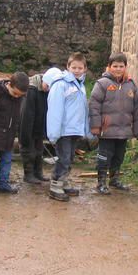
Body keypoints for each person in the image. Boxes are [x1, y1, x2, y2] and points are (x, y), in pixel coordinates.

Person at [89, 53, 138, 194]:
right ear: (109, 67)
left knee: (119, 156)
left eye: (121, 66)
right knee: (104, 156)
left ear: (125, 67)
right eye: (115, 66)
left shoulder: (131, 85)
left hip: (124, 130)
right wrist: (95, 126)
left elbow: (137, 109)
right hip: (106, 131)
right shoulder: (102, 84)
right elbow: (94, 105)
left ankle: (114, 179)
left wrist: (137, 129)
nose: (118, 69)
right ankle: (101, 182)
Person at [46, 52, 93, 202]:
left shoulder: (81, 85)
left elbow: (83, 109)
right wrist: (54, 133)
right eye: (74, 67)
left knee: (70, 157)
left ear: (85, 69)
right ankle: (55, 185)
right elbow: (55, 110)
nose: (77, 70)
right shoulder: (61, 84)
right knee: (64, 158)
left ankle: (63, 182)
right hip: (63, 131)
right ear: (68, 67)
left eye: (80, 68)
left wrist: (85, 129)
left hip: (75, 130)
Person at [19, 67, 63, 184]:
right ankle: (28, 174)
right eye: (48, 85)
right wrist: (25, 134)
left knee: (38, 150)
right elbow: (27, 115)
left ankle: (38, 172)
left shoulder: (48, 91)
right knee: (29, 150)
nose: (48, 89)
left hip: (39, 126)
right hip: (28, 127)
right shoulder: (31, 90)